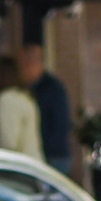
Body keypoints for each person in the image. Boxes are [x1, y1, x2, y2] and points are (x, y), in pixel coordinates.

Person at [0, 53, 42, 163]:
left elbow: (8, 143)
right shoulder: (23, 97)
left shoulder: (8, 100)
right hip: (27, 167)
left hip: (16, 171)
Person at [22, 42, 74, 177]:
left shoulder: (53, 89)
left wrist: (45, 149)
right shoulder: (29, 88)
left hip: (53, 156)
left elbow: (60, 123)